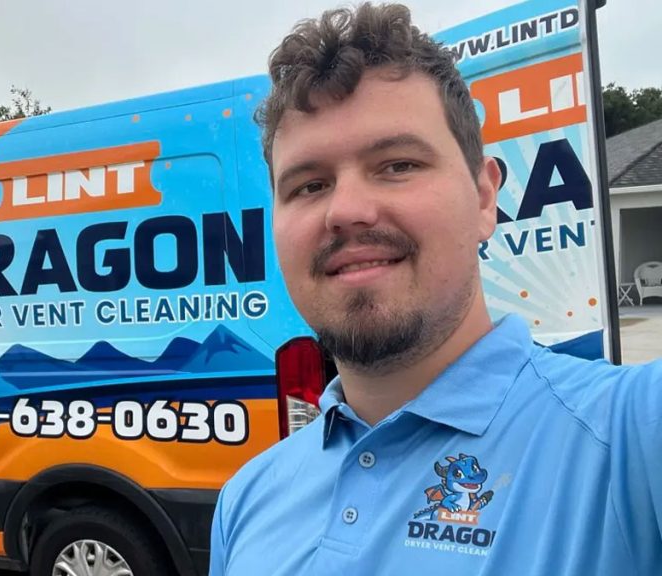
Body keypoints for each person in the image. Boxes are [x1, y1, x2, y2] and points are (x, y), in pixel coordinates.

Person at [209, 3, 662, 575]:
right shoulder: (246, 499)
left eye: (397, 164)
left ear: (482, 198)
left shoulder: (630, 438)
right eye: (310, 184)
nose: (345, 210)